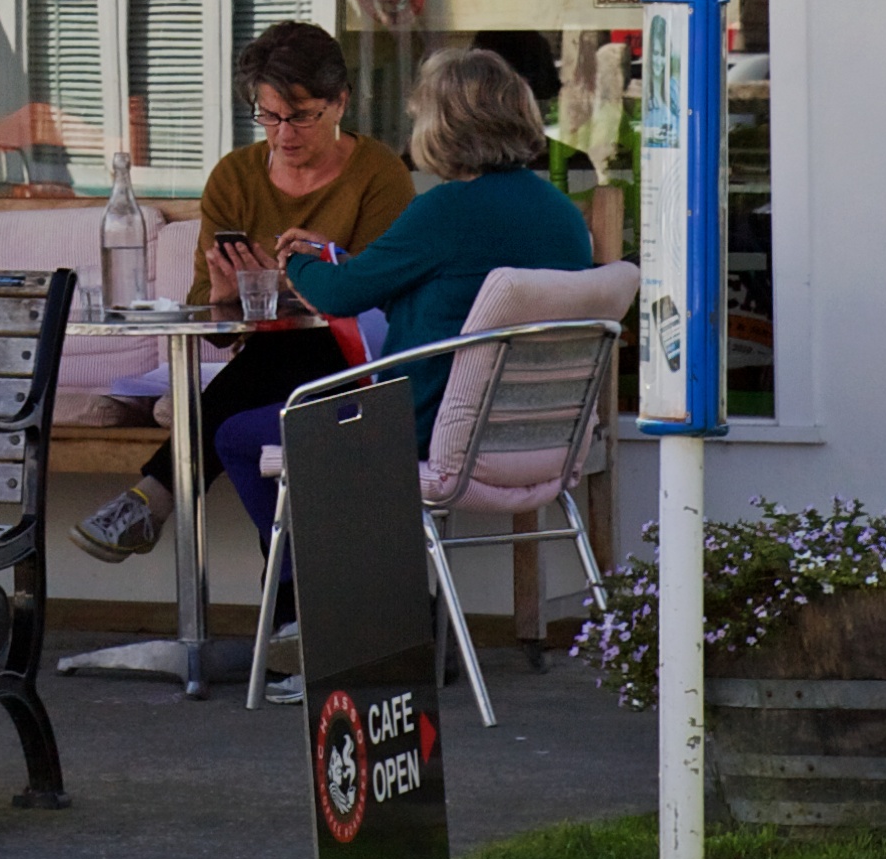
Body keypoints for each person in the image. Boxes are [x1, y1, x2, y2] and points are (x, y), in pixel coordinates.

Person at [207, 44, 599, 541]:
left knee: (238, 436)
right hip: (533, 441)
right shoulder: (561, 214)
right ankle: (357, 593)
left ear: (441, 126)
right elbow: (440, 291)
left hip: (420, 427)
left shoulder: (447, 209)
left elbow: (338, 296)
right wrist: (340, 261)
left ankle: (304, 596)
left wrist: (293, 259)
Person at [70, 19, 403, 560]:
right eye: (269, 116)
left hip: (359, 366)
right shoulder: (235, 177)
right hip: (267, 373)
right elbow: (218, 331)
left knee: (280, 358)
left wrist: (303, 277)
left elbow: (381, 297)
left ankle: (153, 496)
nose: (284, 134)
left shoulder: (379, 174)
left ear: (340, 102)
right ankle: (292, 622)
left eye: (301, 116)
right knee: (256, 395)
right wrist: (227, 293)